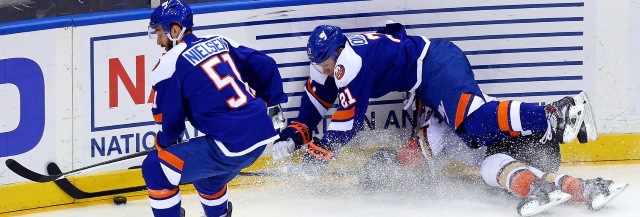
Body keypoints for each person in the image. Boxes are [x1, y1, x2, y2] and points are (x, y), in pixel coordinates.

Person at [141, 0, 287, 216]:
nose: (158, 42)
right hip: (261, 136)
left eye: (160, 34)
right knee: (207, 178)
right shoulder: (220, 41)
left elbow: (171, 126)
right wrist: (269, 104)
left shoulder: (169, 64)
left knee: (155, 168)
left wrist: (162, 145)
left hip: (230, 145)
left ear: (174, 30)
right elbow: (266, 64)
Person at [392, 103, 628, 216]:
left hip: (519, 144)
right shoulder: (451, 105)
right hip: (534, 145)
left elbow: (413, 156)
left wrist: (387, 169)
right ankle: (582, 188)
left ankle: (535, 188)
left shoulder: (435, 122)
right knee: (507, 164)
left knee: (489, 165)